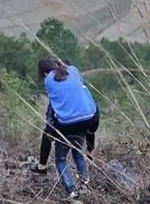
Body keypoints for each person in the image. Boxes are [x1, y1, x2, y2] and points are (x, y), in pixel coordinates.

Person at [33, 58, 97, 199]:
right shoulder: (73, 70)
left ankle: (71, 191)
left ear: (44, 73)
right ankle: (86, 186)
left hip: (67, 123)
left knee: (60, 159)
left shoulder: (48, 81)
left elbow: (53, 109)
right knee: (77, 152)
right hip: (87, 118)